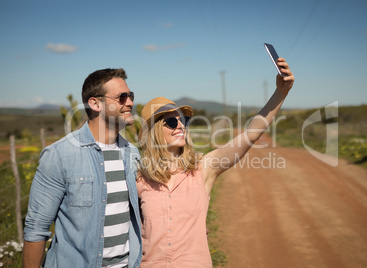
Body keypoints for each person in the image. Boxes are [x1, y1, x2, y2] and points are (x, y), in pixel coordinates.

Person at [136, 58, 295, 267]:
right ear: (155, 132)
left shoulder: (203, 168)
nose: (180, 126)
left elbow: (251, 134)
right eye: (172, 122)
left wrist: (280, 93)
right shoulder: (139, 179)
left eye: (183, 121)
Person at [23, 68, 142, 268]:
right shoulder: (60, 155)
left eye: (130, 96)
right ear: (95, 103)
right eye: (121, 97)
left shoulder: (133, 154)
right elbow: (36, 229)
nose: (129, 102)